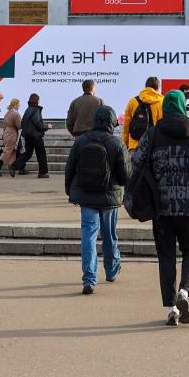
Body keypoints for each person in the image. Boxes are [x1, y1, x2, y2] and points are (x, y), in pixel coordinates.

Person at [130, 90, 189, 326]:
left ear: (165, 108)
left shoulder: (153, 133)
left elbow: (136, 162)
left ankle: (172, 308)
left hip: (161, 205)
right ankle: (184, 292)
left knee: (166, 255)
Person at [67, 104, 130, 294]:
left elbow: (70, 168)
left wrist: (71, 192)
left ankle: (89, 278)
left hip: (86, 195)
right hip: (110, 197)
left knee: (88, 236)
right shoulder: (117, 144)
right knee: (109, 235)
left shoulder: (81, 141)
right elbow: (126, 175)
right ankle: (111, 270)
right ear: (111, 122)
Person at [123, 77, 163, 150]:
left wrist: (125, 143)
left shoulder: (133, 101)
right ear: (158, 88)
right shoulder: (161, 102)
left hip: (135, 146)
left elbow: (126, 125)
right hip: (153, 146)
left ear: (145, 86)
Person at [18, 92, 50, 178]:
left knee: (28, 153)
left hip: (28, 135)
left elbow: (23, 122)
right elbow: (38, 123)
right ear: (37, 100)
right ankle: (42, 173)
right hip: (36, 136)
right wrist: (46, 127)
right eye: (39, 99)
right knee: (41, 154)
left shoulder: (27, 110)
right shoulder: (36, 110)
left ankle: (14, 165)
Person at [0, 97, 21, 177]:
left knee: (11, 151)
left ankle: (12, 168)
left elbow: (4, 124)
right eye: (19, 104)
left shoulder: (7, 113)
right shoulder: (16, 114)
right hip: (12, 133)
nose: (19, 106)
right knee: (7, 151)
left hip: (6, 133)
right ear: (15, 105)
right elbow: (19, 126)